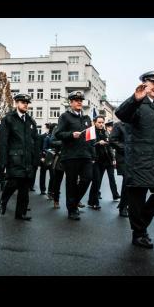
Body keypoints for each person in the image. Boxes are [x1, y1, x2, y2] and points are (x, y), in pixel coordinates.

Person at [115, 70, 154, 249]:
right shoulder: (137, 103)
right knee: (137, 198)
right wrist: (134, 98)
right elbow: (121, 114)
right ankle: (139, 234)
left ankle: (141, 225)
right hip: (139, 161)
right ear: (144, 84)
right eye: (152, 83)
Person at [54, 91, 96, 221]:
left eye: (80, 100)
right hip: (70, 156)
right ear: (70, 102)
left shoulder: (87, 118)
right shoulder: (65, 117)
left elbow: (91, 138)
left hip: (86, 156)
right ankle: (72, 209)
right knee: (71, 183)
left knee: (87, 179)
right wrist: (71, 135)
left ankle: (74, 202)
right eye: (76, 100)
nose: (79, 102)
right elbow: (58, 134)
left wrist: (93, 155)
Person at [0, 93, 39, 221]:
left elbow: (36, 141)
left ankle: (20, 213)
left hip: (28, 160)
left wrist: (36, 160)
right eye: (22, 102)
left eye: (27, 103)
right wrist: (3, 161)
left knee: (24, 188)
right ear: (16, 103)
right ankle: (3, 200)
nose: (25, 104)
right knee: (13, 183)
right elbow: (3, 141)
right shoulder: (8, 119)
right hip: (14, 159)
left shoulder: (31, 121)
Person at [87, 115, 118, 210]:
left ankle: (91, 201)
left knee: (100, 181)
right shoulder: (90, 131)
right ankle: (94, 202)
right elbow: (88, 145)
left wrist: (113, 158)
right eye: (99, 122)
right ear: (94, 122)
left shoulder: (105, 132)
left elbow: (109, 147)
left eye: (102, 122)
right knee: (96, 181)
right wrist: (98, 143)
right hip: (95, 160)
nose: (101, 124)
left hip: (106, 160)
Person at [110, 120, 130, 217]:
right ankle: (123, 207)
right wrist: (126, 148)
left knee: (134, 182)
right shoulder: (118, 125)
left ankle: (129, 204)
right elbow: (112, 140)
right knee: (127, 180)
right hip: (124, 157)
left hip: (137, 157)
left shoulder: (137, 123)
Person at [38, 123, 52, 195]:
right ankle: (42, 189)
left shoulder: (53, 136)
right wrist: (41, 157)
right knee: (43, 174)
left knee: (52, 175)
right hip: (44, 158)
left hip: (52, 159)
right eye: (48, 127)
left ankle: (50, 190)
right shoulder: (42, 136)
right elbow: (40, 148)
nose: (49, 129)